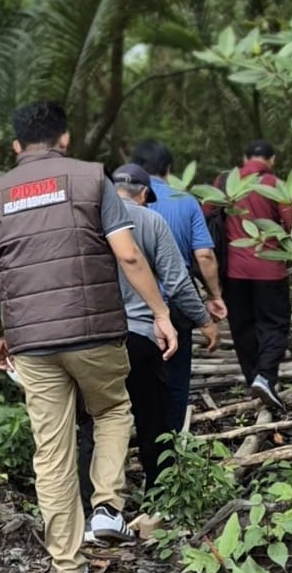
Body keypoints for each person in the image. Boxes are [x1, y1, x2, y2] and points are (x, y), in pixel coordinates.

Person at [0, 102, 178, 573]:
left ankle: (67, 568)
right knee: (111, 409)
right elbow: (127, 253)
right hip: (95, 335)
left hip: (32, 344)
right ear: (64, 138)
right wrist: (160, 313)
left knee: (52, 449)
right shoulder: (91, 179)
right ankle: (107, 506)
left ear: (17, 146)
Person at [77, 163, 220, 524]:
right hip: (140, 337)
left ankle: (89, 508)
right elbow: (177, 281)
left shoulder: (84, 221)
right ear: (144, 193)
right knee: (152, 419)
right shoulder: (150, 221)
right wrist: (204, 321)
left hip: (91, 337)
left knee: (94, 423)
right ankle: (159, 500)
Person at [130, 139, 227, 431]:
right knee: (175, 374)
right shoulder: (183, 200)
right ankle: (170, 441)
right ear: (169, 169)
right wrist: (214, 295)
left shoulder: (113, 203)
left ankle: (140, 432)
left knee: (135, 372)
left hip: (130, 303)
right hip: (175, 300)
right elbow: (204, 255)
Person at [222, 139, 292, 412]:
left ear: (244, 158)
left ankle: (253, 378)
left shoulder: (224, 185)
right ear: (272, 159)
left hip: (233, 270)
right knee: (274, 324)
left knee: (242, 326)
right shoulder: (275, 185)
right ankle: (265, 377)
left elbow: (207, 218)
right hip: (269, 268)